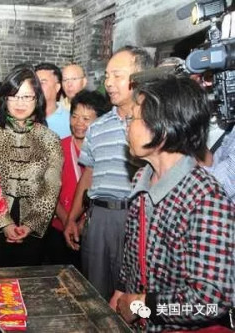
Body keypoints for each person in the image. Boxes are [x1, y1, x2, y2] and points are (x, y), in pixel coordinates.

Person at [111, 76, 234, 332]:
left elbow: (211, 302)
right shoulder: (140, 179)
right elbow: (133, 253)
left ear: (162, 129)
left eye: (133, 118)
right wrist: (122, 290)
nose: (126, 124)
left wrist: (144, 305)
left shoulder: (206, 199)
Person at [64, 46, 153, 301]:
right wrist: (73, 218)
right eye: (106, 76)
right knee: (94, 295)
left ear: (141, 77)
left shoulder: (155, 124)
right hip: (98, 218)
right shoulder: (98, 127)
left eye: (117, 75)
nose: (109, 83)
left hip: (136, 217)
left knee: (133, 298)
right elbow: (89, 174)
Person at [0, 64, 63, 268]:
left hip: (34, 222)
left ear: (37, 99)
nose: (20, 103)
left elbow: (51, 187)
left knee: (29, 283)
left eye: (27, 96)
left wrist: (31, 224)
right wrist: (4, 223)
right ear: (4, 99)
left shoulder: (50, 139)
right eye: (14, 96)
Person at [43, 90, 110, 266]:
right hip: (59, 226)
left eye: (86, 119)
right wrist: (67, 221)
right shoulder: (56, 147)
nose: (78, 123)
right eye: (74, 116)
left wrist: (81, 223)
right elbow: (48, 190)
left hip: (93, 228)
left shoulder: (106, 151)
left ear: (101, 121)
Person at [34, 62, 71, 139]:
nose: (37, 87)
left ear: (57, 87)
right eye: (35, 83)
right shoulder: (24, 117)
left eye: (42, 82)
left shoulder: (70, 122)